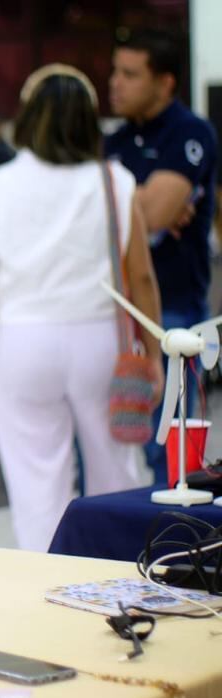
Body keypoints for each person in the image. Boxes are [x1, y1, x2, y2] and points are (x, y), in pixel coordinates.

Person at [0, 64, 164, 552]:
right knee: (116, 471)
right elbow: (141, 278)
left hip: (20, 338)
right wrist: (154, 355)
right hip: (100, 338)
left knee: (36, 482)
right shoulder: (115, 181)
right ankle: (118, 573)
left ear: (27, 117)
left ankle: (46, 579)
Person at [106, 28, 219, 485]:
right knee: (104, 444)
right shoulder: (114, 142)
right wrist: (143, 202)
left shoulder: (190, 133)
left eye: (130, 74)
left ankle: (171, 528)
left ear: (165, 82)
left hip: (173, 309)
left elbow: (152, 215)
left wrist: (125, 205)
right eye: (115, 71)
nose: (115, 83)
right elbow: (144, 213)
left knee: (166, 445)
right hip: (117, 313)